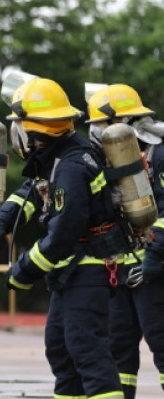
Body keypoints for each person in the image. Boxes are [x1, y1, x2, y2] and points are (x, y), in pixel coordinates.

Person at [0, 77, 124, 398]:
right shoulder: (64, 154)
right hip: (72, 273)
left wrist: (23, 270)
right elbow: (36, 190)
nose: (16, 133)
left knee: (88, 354)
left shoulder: (72, 168)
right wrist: (3, 219)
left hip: (87, 271)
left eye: (19, 126)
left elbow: (64, 232)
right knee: (62, 354)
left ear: (35, 131)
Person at [84, 83, 164, 398]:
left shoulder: (160, 152)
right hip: (120, 267)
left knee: (161, 341)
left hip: (154, 267)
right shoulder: (109, 157)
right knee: (118, 348)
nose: (96, 133)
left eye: (101, 126)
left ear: (124, 122)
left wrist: (155, 256)